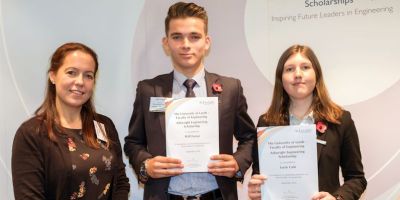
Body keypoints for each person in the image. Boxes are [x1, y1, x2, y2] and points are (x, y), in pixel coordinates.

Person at [124, 2, 256, 200]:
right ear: (166, 43)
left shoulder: (230, 89)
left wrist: (237, 163)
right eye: (177, 37)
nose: (186, 44)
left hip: (217, 195)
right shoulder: (148, 90)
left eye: (194, 37)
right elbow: (133, 142)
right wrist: (146, 165)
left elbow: (249, 137)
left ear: (207, 42)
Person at [12, 42, 130, 199]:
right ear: (53, 76)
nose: (80, 82)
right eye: (71, 73)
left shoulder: (103, 125)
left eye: (88, 75)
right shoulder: (32, 133)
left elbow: (120, 181)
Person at [248, 45, 367, 200]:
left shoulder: (340, 120)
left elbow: (357, 178)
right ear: (280, 79)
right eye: (289, 69)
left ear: (316, 74)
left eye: (305, 67)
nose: (298, 74)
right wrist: (256, 189)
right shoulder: (266, 123)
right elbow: (259, 174)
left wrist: (338, 198)